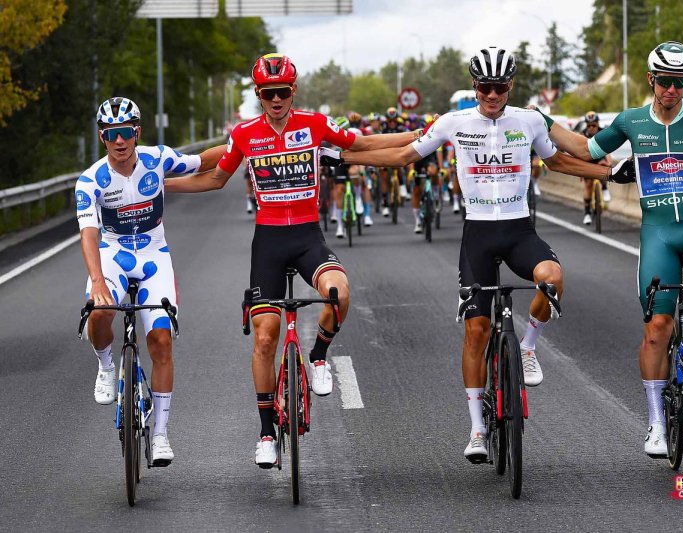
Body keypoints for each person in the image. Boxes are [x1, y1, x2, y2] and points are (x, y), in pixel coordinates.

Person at [328, 47, 630, 463]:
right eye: (485, 87)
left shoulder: (528, 120)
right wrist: (343, 155)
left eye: (500, 87)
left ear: (510, 87)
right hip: (478, 235)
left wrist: (610, 171)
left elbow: (561, 160)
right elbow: (401, 154)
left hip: (519, 229)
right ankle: (476, 428)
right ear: (475, 87)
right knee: (476, 329)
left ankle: (526, 348)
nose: (492, 94)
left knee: (553, 278)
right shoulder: (454, 122)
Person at [164, 53, 422, 468]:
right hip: (268, 239)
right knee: (265, 336)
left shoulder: (315, 125)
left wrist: (419, 137)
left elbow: (362, 145)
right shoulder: (246, 133)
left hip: (307, 235)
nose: (276, 99)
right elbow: (215, 178)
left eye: (283, 91)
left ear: (293, 91)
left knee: (339, 293)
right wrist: (160, 185)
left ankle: (318, 355)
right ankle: (266, 432)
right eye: (268, 93)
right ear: (258, 95)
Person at [540, 41, 683, 457]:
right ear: (651, 79)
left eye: (680, 82)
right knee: (656, 330)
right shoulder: (631, 122)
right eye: (665, 81)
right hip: (659, 235)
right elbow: (586, 151)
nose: (672, 90)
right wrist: (541, 122)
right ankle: (655, 422)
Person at [76, 97, 225, 466]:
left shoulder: (158, 159)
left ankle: (160, 434)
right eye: (111, 134)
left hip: (154, 256)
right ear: (102, 137)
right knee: (100, 309)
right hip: (113, 255)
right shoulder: (91, 179)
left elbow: (205, 160)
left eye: (125, 132)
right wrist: (96, 281)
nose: (120, 141)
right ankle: (106, 366)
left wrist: (246, 142)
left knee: (160, 340)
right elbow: (89, 234)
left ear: (137, 132)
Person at [579, 111, 613, 225]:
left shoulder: (603, 133)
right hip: (587, 160)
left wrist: (609, 163)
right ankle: (587, 213)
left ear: (598, 124)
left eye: (594, 125)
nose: (591, 128)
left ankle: (604, 188)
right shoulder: (582, 135)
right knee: (588, 185)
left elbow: (608, 151)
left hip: (600, 158)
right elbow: (577, 153)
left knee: (603, 166)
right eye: (589, 125)